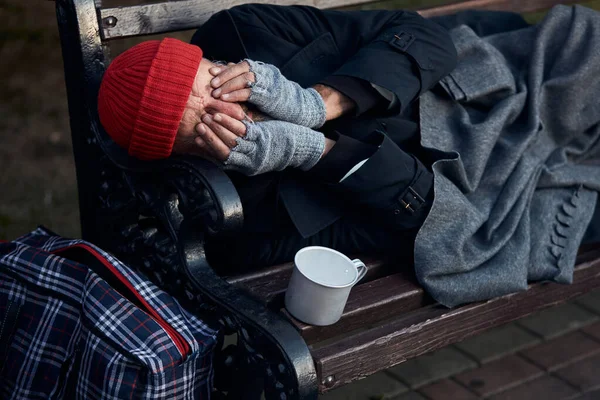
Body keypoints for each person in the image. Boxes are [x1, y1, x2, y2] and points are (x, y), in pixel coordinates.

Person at [97, 4, 527, 273]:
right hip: (497, 179)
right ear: (192, 157)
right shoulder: (245, 223)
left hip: (491, 71)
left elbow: (423, 34)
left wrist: (320, 104)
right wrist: (316, 152)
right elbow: (433, 226)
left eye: (214, 84)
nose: (232, 108)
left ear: (211, 59)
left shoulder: (244, 31)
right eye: (208, 125)